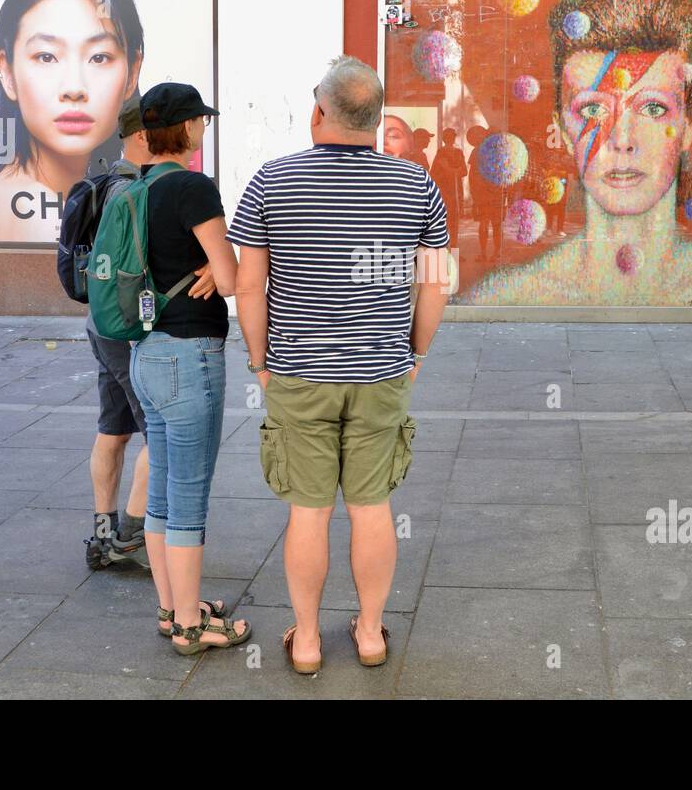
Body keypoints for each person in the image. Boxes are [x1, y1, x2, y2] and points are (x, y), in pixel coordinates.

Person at [228, 55, 450, 674]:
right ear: (376, 119)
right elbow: (434, 285)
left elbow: (250, 285)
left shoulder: (272, 180)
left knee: (309, 509)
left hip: (299, 371)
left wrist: (258, 357)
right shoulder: (416, 186)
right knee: (371, 506)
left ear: (319, 111)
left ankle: (304, 640)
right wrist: (417, 351)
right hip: (381, 372)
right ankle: (372, 633)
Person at [459, 0, 692, 306]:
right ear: (563, 130)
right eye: (593, 111)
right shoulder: (509, 298)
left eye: (652, 109)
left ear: (690, 123)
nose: (622, 139)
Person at [128, 82, 250, 656]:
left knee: (161, 494)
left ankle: (171, 607)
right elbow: (230, 280)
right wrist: (212, 261)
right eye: (201, 120)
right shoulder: (193, 188)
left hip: (144, 352)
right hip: (190, 354)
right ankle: (190, 627)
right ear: (189, 127)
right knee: (189, 495)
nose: (206, 127)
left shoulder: (136, 187)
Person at [83, 96, 217, 571]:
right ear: (146, 136)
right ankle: (132, 533)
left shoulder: (105, 185)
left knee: (111, 430)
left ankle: (102, 533)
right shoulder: (144, 189)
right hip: (138, 328)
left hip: (101, 323)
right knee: (154, 436)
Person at [0, 0, 144, 242]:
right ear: (6, 71)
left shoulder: (96, 193)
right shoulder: (31, 215)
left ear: (133, 72)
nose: (73, 87)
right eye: (46, 56)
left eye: (99, 57)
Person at [467, 126, 506, 263]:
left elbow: (472, 176)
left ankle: (487, 253)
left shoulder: (478, 151)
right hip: (491, 194)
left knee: (487, 224)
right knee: (494, 225)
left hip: (485, 195)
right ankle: (495, 253)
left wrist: (474, 194)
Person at [429, 128, 468, 247]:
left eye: (451, 136)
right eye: (448, 137)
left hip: (456, 191)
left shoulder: (458, 152)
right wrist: (447, 173)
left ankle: (454, 248)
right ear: (445, 139)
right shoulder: (441, 152)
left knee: (455, 221)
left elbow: (464, 171)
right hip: (444, 191)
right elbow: (433, 174)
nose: (450, 139)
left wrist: (453, 172)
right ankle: (444, 248)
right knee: (444, 220)